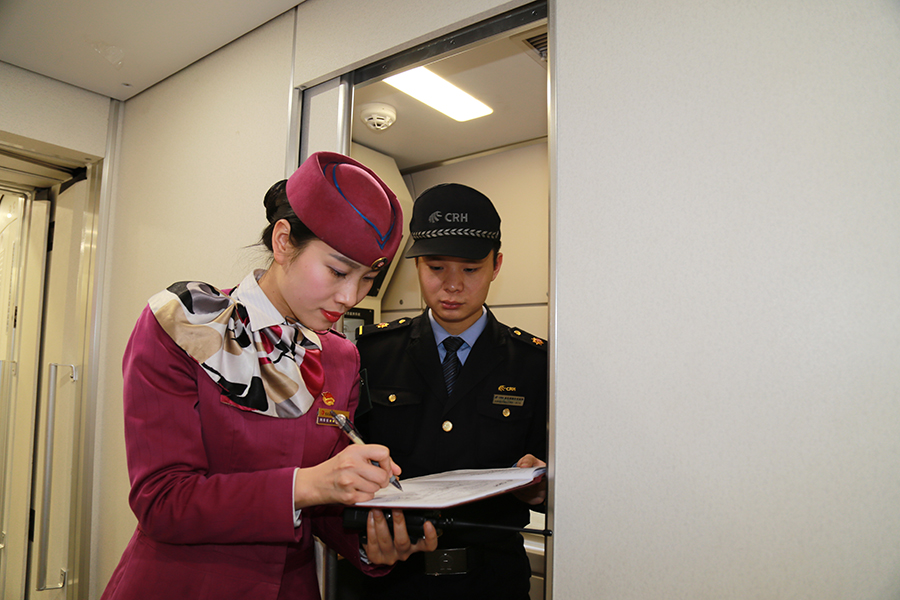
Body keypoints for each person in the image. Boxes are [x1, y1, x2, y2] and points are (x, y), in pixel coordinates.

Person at [100, 151, 437, 600]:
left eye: (367, 278)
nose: (350, 295)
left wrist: (373, 542)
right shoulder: (186, 325)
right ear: (283, 242)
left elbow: (325, 508)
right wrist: (309, 483)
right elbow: (162, 501)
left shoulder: (339, 357)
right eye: (338, 271)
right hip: (183, 583)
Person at [351, 183, 548, 600]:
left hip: (493, 582)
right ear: (417, 266)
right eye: (437, 268)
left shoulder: (535, 363)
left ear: (496, 265)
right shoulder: (370, 352)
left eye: (471, 270)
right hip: (393, 581)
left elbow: (565, 477)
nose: (453, 285)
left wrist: (545, 485)